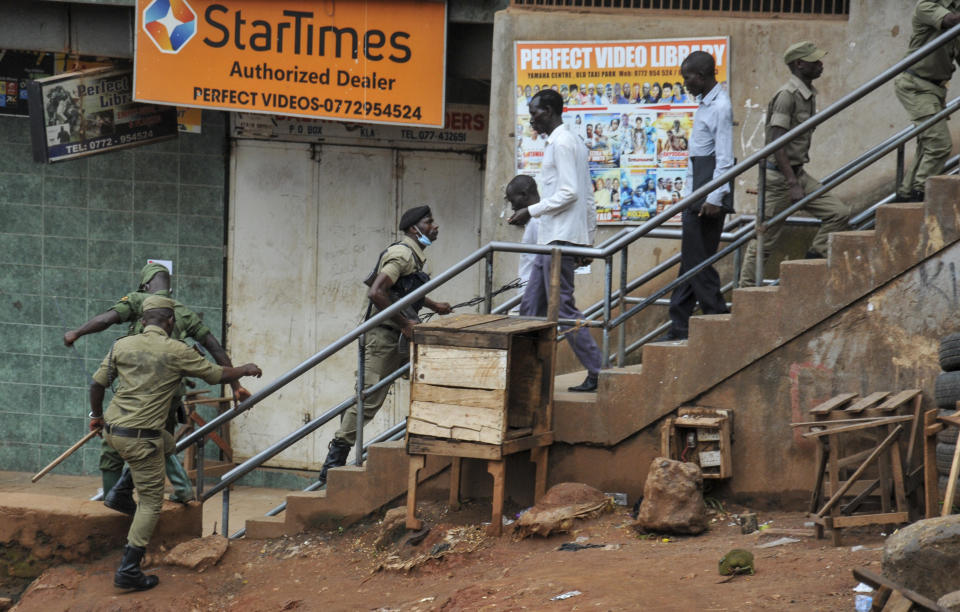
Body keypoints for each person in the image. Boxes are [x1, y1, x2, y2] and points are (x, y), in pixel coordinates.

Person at [88, 295, 262, 591]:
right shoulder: (176, 349)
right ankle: (128, 569)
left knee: (167, 442)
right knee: (151, 502)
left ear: (142, 322)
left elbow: (97, 384)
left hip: (113, 430)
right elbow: (215, 373)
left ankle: (120, 489)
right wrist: (244, 370)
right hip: (141, 437)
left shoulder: (121, 345)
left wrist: (96, 416)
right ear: (170, 322)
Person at [64, 263, 250, 506]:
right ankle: (175, 492)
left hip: (134, 393)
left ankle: (113, 501)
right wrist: (236, 385)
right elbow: (215, 348)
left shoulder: (137, 300)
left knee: (114, 449)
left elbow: (106, 319)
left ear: (146, 285)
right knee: (158, 445)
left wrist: (76, 333)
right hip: (169, 396)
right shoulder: (183, 312)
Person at [316, 206, 452, 485]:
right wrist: (404, 323)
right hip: (384, 336)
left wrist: (433, 304)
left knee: (423, 375)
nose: (434, 227)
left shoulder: (413, 254)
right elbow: (376, 291)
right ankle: (334, 462)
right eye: (429, 222)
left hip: (397, 335)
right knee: (370, 398)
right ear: (415, 228)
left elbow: (400, 289)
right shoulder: (402, 254)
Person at [508, 89, 603, 392]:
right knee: (530, 309)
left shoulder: (562, 142)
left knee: (562, 309)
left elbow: (571, 193)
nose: (532, 118)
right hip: (551, 239)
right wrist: (587, 239)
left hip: (559, 239)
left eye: (535, 112)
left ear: (548, 111)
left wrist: (530, 210)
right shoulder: (567, 142)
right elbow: (587, 196)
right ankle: (527, 377)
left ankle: (599, 370)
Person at [738, 41, 850, 287]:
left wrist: (796, 179)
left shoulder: (807, 95)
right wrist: (791, 182)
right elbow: (776, 143)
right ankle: (745, 291)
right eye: (815, 61)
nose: (821, 65)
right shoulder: (786, 97)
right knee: (765, 238)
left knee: (838, 213)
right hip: (780, 178)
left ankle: (812, 260)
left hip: (797, 173)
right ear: (799, 64)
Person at [894, 2, 960, 202]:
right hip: (916, 84)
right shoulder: (927, 6)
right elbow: (949, 21)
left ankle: (906, 195)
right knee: (939, 144)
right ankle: (921, 193)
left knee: (927, 144)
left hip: (935, 89)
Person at [505, 175, 542, 309]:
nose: (513, 207)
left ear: (524, 195)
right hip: (529, 292)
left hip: (533, 294)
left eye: (513, 201)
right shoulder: (534, 220)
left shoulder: (537, 222)